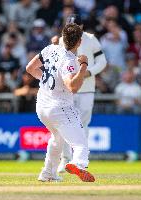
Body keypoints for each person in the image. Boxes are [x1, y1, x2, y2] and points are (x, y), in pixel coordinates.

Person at [26, 23, 95, 182]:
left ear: (63, 36)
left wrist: (47, 82)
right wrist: (84, 65)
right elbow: (73, 87)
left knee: (57, 139)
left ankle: (48, 173)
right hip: (59, 107)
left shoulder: (50, 48)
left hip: (42, 106)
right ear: (79, 42)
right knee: (80, 144)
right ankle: (78, 163)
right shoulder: (70, 61)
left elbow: (30, 68)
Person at [55, 14, 107, 173]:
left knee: (83, 124)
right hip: (67, 88)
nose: (71, 28)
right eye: (69, 24)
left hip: (87, 89)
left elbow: (102, 62)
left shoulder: (91, 39)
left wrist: (88, 73)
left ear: (82, 26)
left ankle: (80, 161)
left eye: (75, 25)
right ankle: (64, 159)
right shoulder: (62, 40)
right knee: (64, 124)